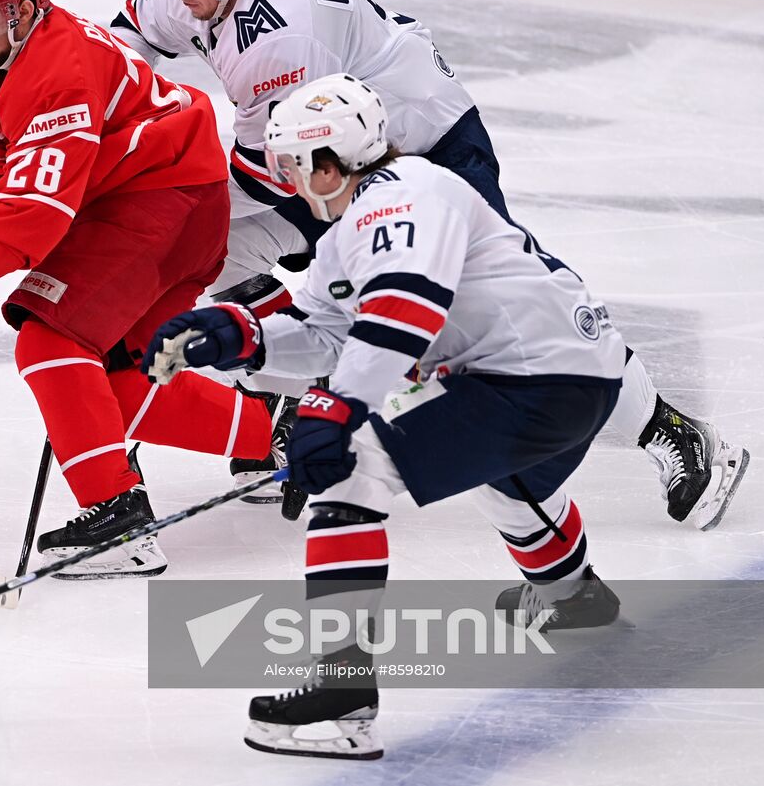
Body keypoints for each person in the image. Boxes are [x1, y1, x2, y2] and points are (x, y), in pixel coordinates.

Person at [112, 0, 747, 529]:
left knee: (506, 326)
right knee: (201, 256)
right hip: (325, 160)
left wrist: (139, 194)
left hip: (424, 157)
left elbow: (259, 180)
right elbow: (126, 38)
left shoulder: (280, 37)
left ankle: (670, 430)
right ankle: (282, 401)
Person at [145, 73, 631, 759]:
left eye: (292, 165)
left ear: (330, 162)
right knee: (509, 475)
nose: (285, 181)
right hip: (574, 373)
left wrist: (337, 408)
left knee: (352, 468)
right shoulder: (366, 218)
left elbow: (403, 308)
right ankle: (570, 590)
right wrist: (236, 334)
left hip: (533, 379)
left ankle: (341, 697)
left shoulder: (403, 193)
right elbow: (323, 328)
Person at [0, 0, 288, 579]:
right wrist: (14, 232)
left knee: (50, 341)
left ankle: (117, 519)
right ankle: (279, 439)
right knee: (108, 378)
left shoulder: (61, 63)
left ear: (24, 11)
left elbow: (39, 202)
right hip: (136, 198)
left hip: (165, 196)